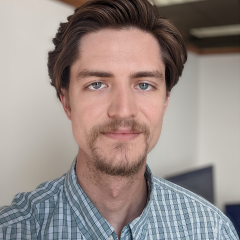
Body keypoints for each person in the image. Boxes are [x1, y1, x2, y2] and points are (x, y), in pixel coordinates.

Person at [0, 0, 238, 239]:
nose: (123, 110)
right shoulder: (12, 231)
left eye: (144, 85)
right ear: (67, 102)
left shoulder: (211, 229)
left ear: (165, 101)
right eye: (97, 84)